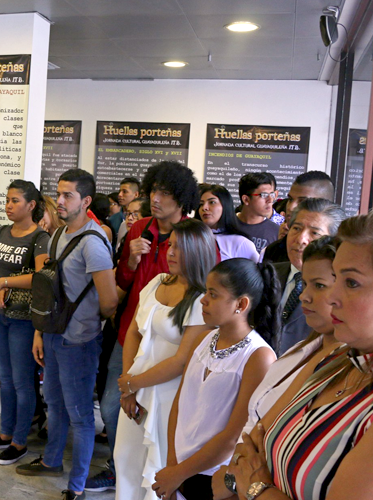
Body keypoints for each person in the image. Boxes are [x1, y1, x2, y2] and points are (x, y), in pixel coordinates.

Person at [227, 209, 373, 500]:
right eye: (336, 278)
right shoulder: (338, 359)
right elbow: (250, 447)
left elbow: (250, 471)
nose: (332, 297)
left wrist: (256, 490)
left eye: (351, 283)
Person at [211, 237, 342, 500]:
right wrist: (234, 476)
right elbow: (252, 431)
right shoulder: (298, 354)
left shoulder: (355, 372)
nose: (304, 295)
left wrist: (250, 484)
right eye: (305, 283)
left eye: (319, 285)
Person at [16, 169, 118, 500]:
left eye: (68, 195)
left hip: (79, 342)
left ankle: (76, 487)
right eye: (58, 194)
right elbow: (49, 289)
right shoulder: (59, 234)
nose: (59, 201)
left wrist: (83, 323)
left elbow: (109, 302)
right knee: (55, 404)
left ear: (86, 201)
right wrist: (40, 333)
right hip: (54, 334)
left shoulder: (94, 244)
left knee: (81, 416)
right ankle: (51, 461)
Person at [97, 161, 198, 490]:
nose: (156, 198)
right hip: (132, 331)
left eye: (165, 193)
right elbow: (124, 282)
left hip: (171, 340)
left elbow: (202, 286)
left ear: (181, 199)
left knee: (158, 418)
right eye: (153, 190)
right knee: (114, 404)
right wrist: (129, 260)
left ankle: (151, 478)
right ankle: (120, 467)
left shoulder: (194, 237)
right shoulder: (139, 228)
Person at [151, 258, 279, 500]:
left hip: (215, 476)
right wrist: (172, 467)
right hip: (179, 467)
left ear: (241, 304)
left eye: (213, 294)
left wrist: (179, 472)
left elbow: (233, 435)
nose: (203, 299)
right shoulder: (204, 339)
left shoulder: (258, 356)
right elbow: (180, 404)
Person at [112, 219, 216, 500]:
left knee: (156, 469)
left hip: (170, 395)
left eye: (179, 248)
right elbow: (133, 331)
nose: (170, 252)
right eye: (170, 245)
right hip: (135, 385)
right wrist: (128, 383)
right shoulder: (158, 281)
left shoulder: (202, 299)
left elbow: (182, 360)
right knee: (125, 459)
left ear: (198, 252)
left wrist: (132, 384)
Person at [0, 180, 50, 465]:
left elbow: (42, 276)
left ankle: (20, 442)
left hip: (23, 319)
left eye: (15, 200)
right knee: (5, 379)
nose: (9, 205)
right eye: (7, 199)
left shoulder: (39, 237)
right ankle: (5, 434)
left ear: (31, 205)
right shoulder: (0, 231)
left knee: (21, 382)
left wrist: (4, 282)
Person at [270, 198, 345, 355]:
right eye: (296, 228)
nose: (301, 239)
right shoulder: (267, 275)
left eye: (314, 232)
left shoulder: (340, 289)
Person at [264, 171, 335, 262]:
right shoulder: (274, 250)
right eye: (290, 199)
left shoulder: (338, 254)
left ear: (324, 204)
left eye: (302, 202)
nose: (291, 207)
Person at [196, 184, 260, 262]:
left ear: (225, 205)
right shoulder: (192, 237)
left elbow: (255, 272)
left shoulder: (240, 242)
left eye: (212, 202)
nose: (204, 208)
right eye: (201, 204)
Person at [235, 173, 279, 253]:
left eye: (272, 194)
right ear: (246, 200)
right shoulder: (225, 225)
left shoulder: (276, 232)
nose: (270, 200)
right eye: (264, 195)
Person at [115, 177, 141, 248]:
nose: (120, 195)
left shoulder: (145, 222)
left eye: (124, 191)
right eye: (119, 191)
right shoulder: (114, 219)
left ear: (136, 194)